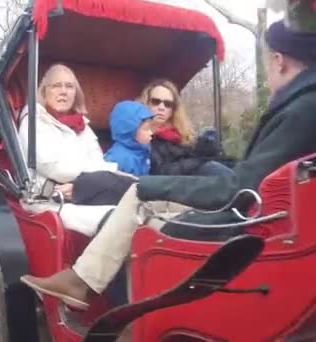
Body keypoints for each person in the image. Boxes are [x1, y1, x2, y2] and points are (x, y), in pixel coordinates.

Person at [20, 17, 316, 310]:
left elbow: (236, 186)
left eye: (69, 86)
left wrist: (158, 180)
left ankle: (124, 312)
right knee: (139, 196)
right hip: (258, 212)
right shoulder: (300, 108)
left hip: (250, 218)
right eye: (56, 86)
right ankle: (94, 291)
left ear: (278, 61)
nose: (160, 110)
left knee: (139, 205)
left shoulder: (300, 111)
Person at [17, 63, 135, 236]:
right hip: (49, 199)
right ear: (44, 91)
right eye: (56, 86)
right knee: (116, 221)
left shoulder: (83, 126)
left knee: (135, 213)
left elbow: (97, 160)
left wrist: (86, 183)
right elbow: (55, 168)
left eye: (69, 86)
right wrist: (102, 175)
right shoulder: (33, 122)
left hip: (84, 192)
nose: (63, 91)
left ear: (76, 93)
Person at [139, 79, 234, 177]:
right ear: (146, 103)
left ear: (173, 109)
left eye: (168, 104)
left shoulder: (179, 133)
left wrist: (207, 151)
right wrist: (198, 159)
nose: (161, 107)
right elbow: (161, 172)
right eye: (156, 102)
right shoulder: (141, 136)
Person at [103, 101, 154, 176]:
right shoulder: (118, 160)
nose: (151, 132)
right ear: (129, 130)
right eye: (146, 129)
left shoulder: (141, 150)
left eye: (150, 128)